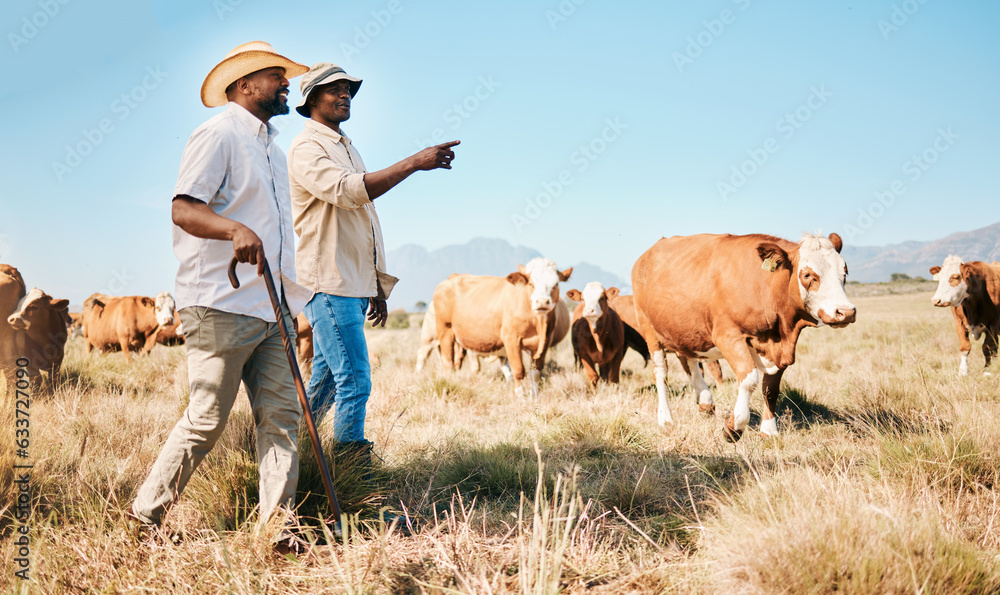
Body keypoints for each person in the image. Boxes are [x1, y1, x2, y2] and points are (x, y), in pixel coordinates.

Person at [129, 42, 313, 546]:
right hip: (220, 301)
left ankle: (278, 528)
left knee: (282, 419)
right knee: (208, 418)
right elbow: (184, 209)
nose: (285, 83)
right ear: (244, 85)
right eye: (277, 76)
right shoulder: (218, 134)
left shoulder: (273, 151)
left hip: (271, 306)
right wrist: (234, 229)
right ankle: (146, 516)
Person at [287, 62, 459, 454]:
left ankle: (289, 453)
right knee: (356, 380)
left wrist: (376, 287)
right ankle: (351, 474)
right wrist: (413, 163)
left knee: (329, 381)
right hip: (328, 282)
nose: (345, 94)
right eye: (335, 89)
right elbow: (351, 193)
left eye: (348, 88)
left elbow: (363, 223)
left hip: (349, 283)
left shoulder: (344, 146)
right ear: (312, 99)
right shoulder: (306, 148)